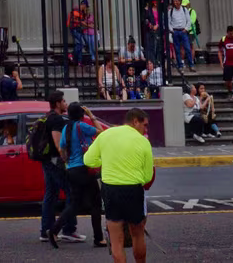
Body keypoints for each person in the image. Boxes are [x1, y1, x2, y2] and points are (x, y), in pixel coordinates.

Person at [85, 105, 155, 263]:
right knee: (137, 234)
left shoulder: (106, 135)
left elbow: (88, 160)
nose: (145, 129)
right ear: (135, 121)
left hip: (111, 190)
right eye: (144, 125)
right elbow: (147, 176)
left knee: (116, 240)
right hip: (133, 189)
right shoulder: (143, 141)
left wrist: (105, 163)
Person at [56, 104, 102, 246]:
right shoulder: (82, 126)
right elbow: (101, 133)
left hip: (71, 169)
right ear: (81, 115)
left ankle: (54, 229)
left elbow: (62, 149)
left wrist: (68, 163)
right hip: (84, 168)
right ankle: (98, 238)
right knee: (96, 204)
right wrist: (91, 116)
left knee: (75, 204)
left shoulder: (66, 128)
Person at [34, 92, 71, 245]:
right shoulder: (56, 119)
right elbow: (58, 144)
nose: (65, 103)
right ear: (57, 104)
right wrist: (66, 160)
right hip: (55, 160)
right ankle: (69, 230)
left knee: (51, 194)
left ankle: (46, 230)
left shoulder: (48, 116)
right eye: (63, 101)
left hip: (47, 160)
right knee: (71, 192)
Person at [69, 0, 97, 70]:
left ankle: (79, 62)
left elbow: (81, 22)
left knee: (79, 44)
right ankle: (71, 54)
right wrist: (89, 26)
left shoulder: (80, 12)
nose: (86, 8)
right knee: (81, 44)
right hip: (74, 29)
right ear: (84, 5)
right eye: (86, 6)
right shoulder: (76, 10)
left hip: (77, 29)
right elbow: (74, 20)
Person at [167, 0, 193, 69]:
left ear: (180, 2)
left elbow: (189, 20)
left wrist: (186, 29)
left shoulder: (184, 10)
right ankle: (180, 65)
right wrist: (171, 30)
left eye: (176, 1)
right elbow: (168, 22)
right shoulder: (170, 11)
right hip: (175, 31)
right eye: (174, 1)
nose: (175, 3)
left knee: (187, 48)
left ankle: (191, 65)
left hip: (183, 31)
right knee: (177, 49)